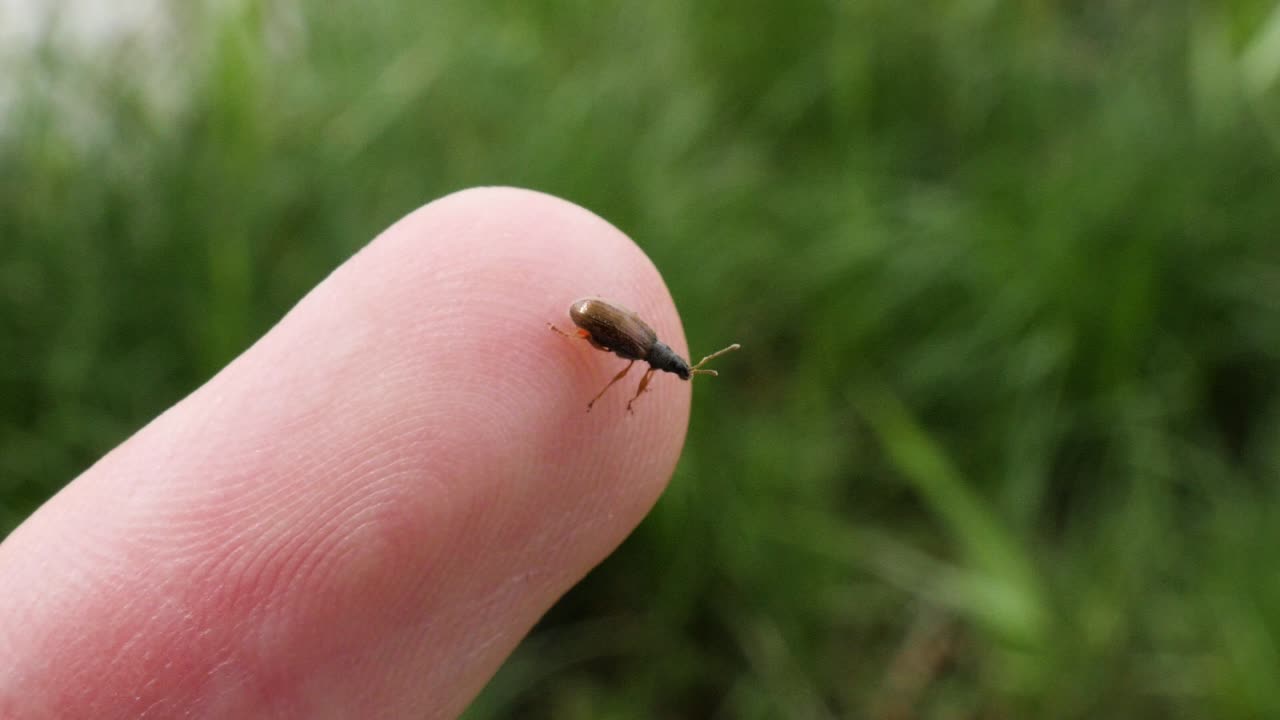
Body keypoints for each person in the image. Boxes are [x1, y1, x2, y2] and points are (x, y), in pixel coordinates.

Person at [0, 188, 692, 718]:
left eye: (656, 364)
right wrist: (610, 388)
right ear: (655, 354)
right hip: (582, 316)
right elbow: (605, 333)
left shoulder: (644, 348)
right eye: (660, 362)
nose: (654, 362)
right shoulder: (638, 345)